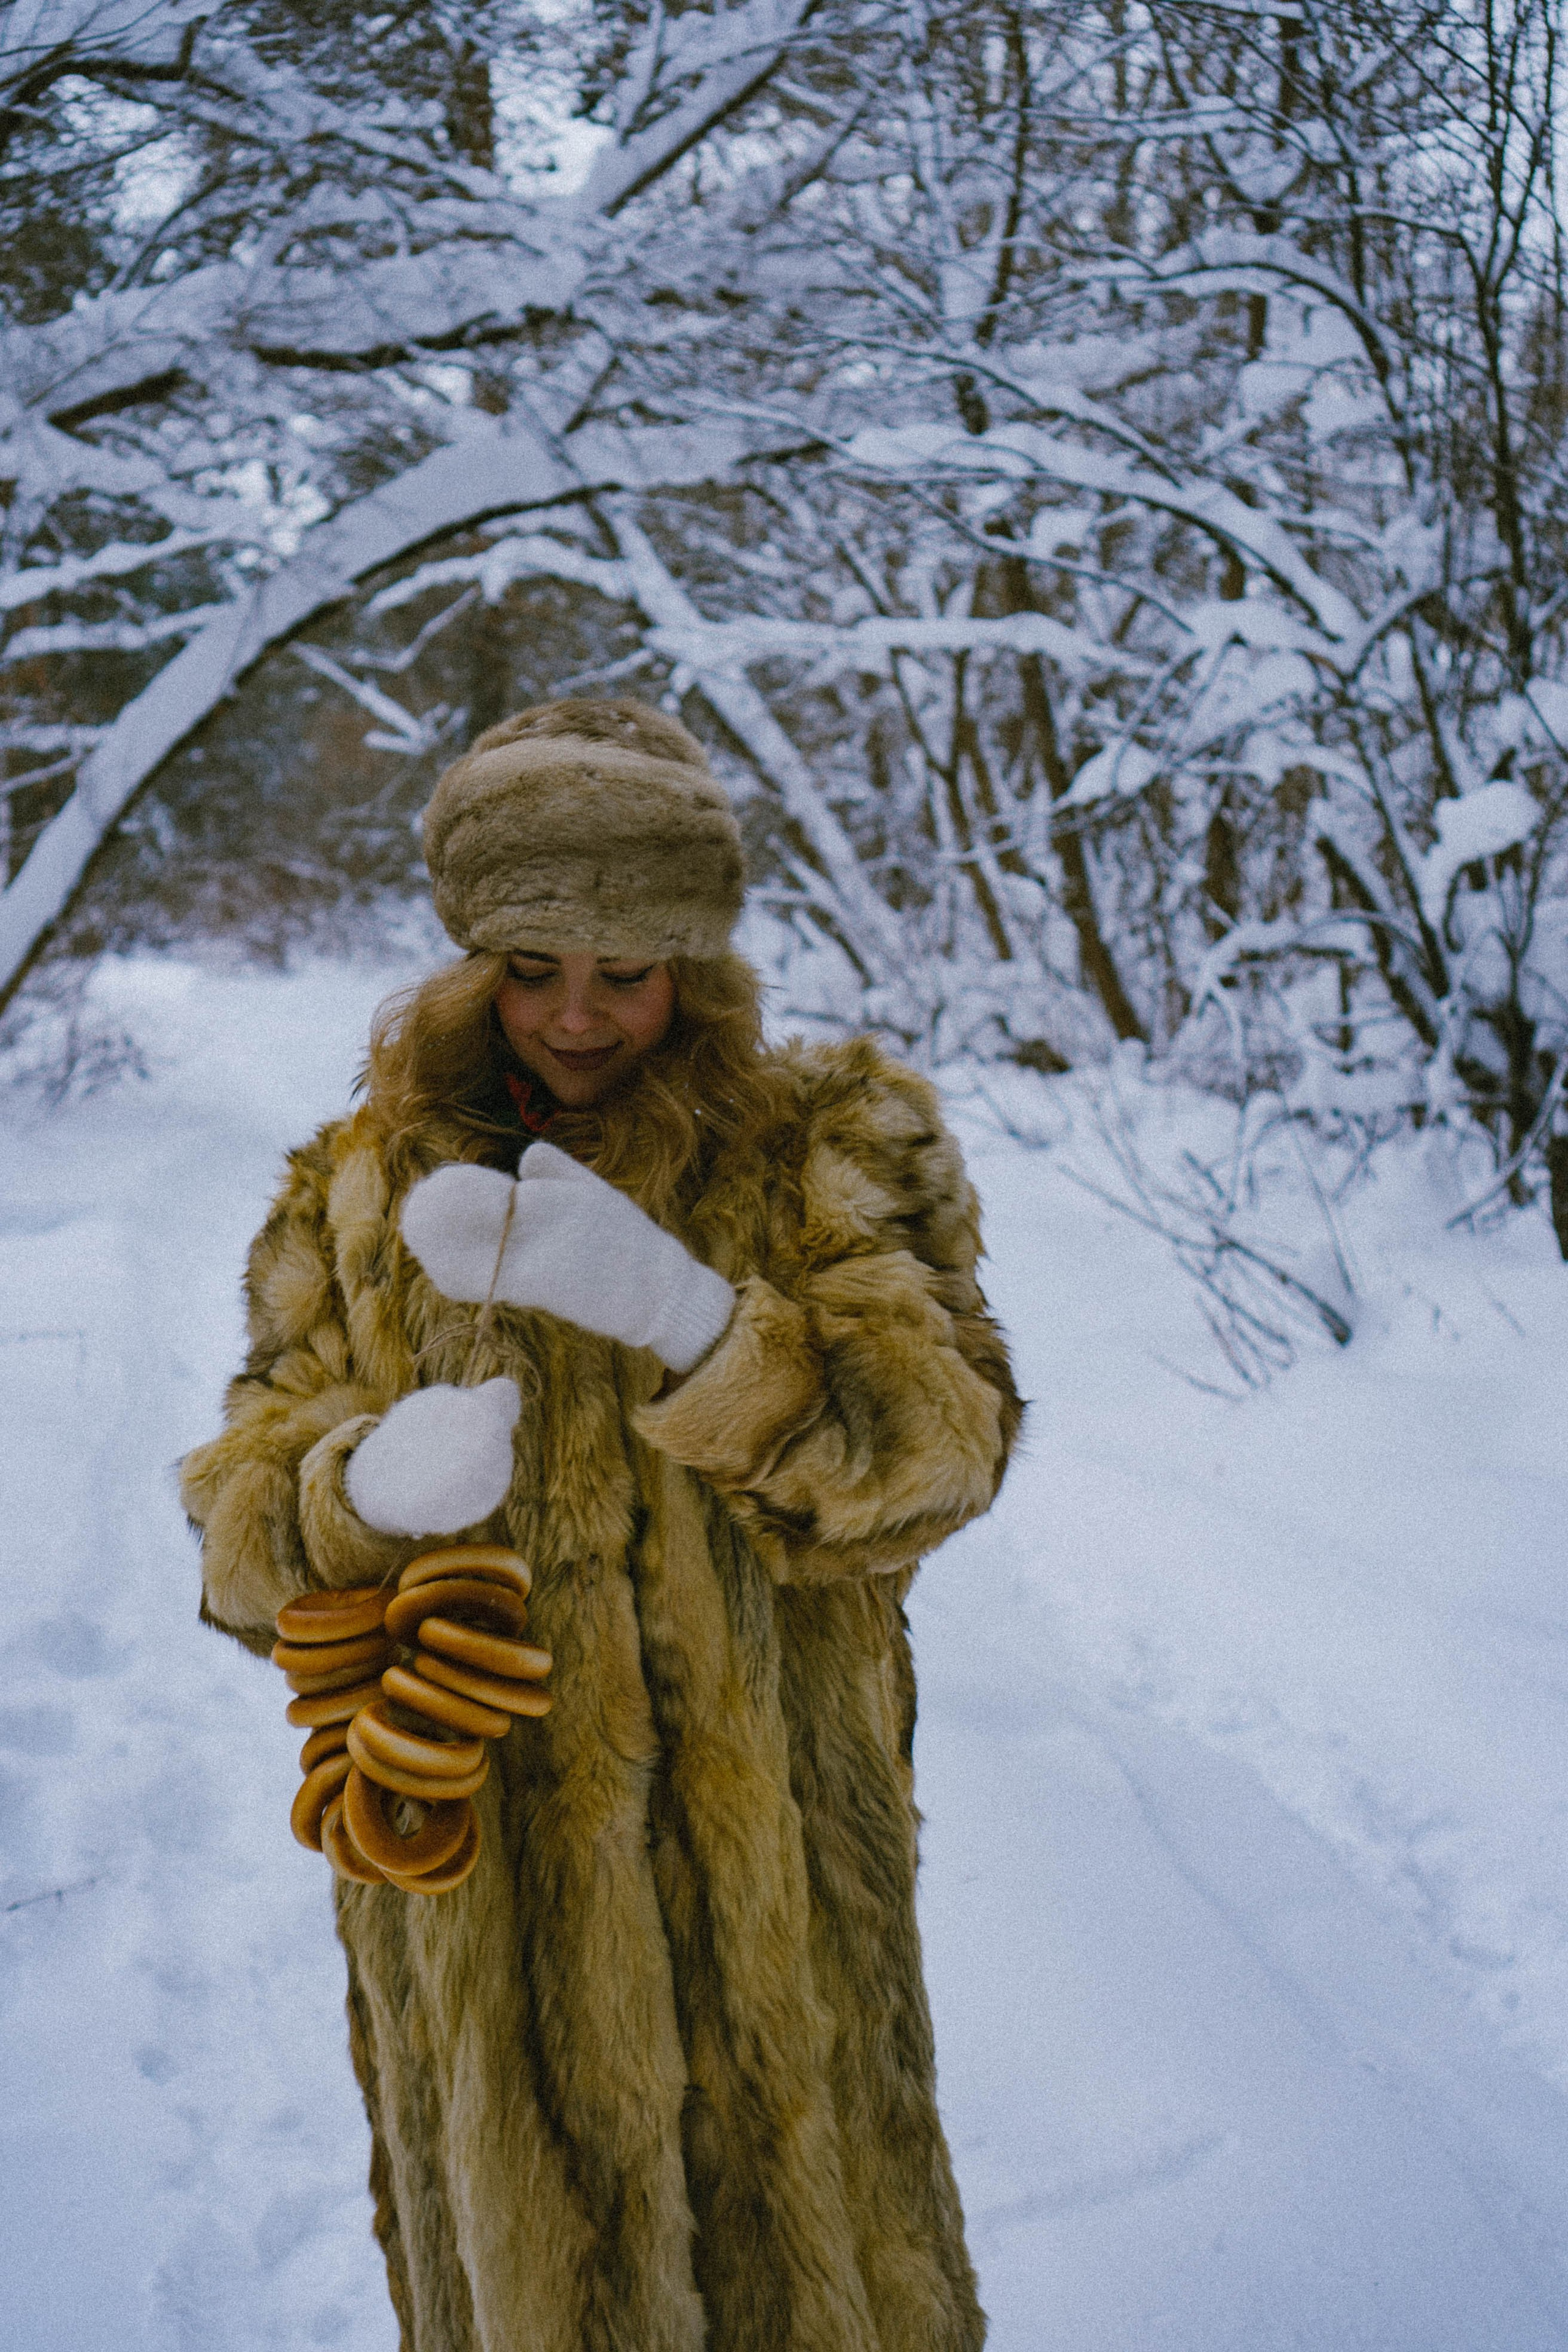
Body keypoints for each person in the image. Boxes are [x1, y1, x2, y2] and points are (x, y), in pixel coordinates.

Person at [181, 696, 1022, 2352]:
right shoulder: (353, 1188)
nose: (578, 1014)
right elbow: (237, 1537)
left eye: (627, 968)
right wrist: (353, 1491)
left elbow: (945, 1454)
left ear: (692, 963)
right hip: (478, 1902)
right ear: (468, 961)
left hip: (780, 1900)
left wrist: (699, 1327)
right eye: (531, 965)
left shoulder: (832, 1145)